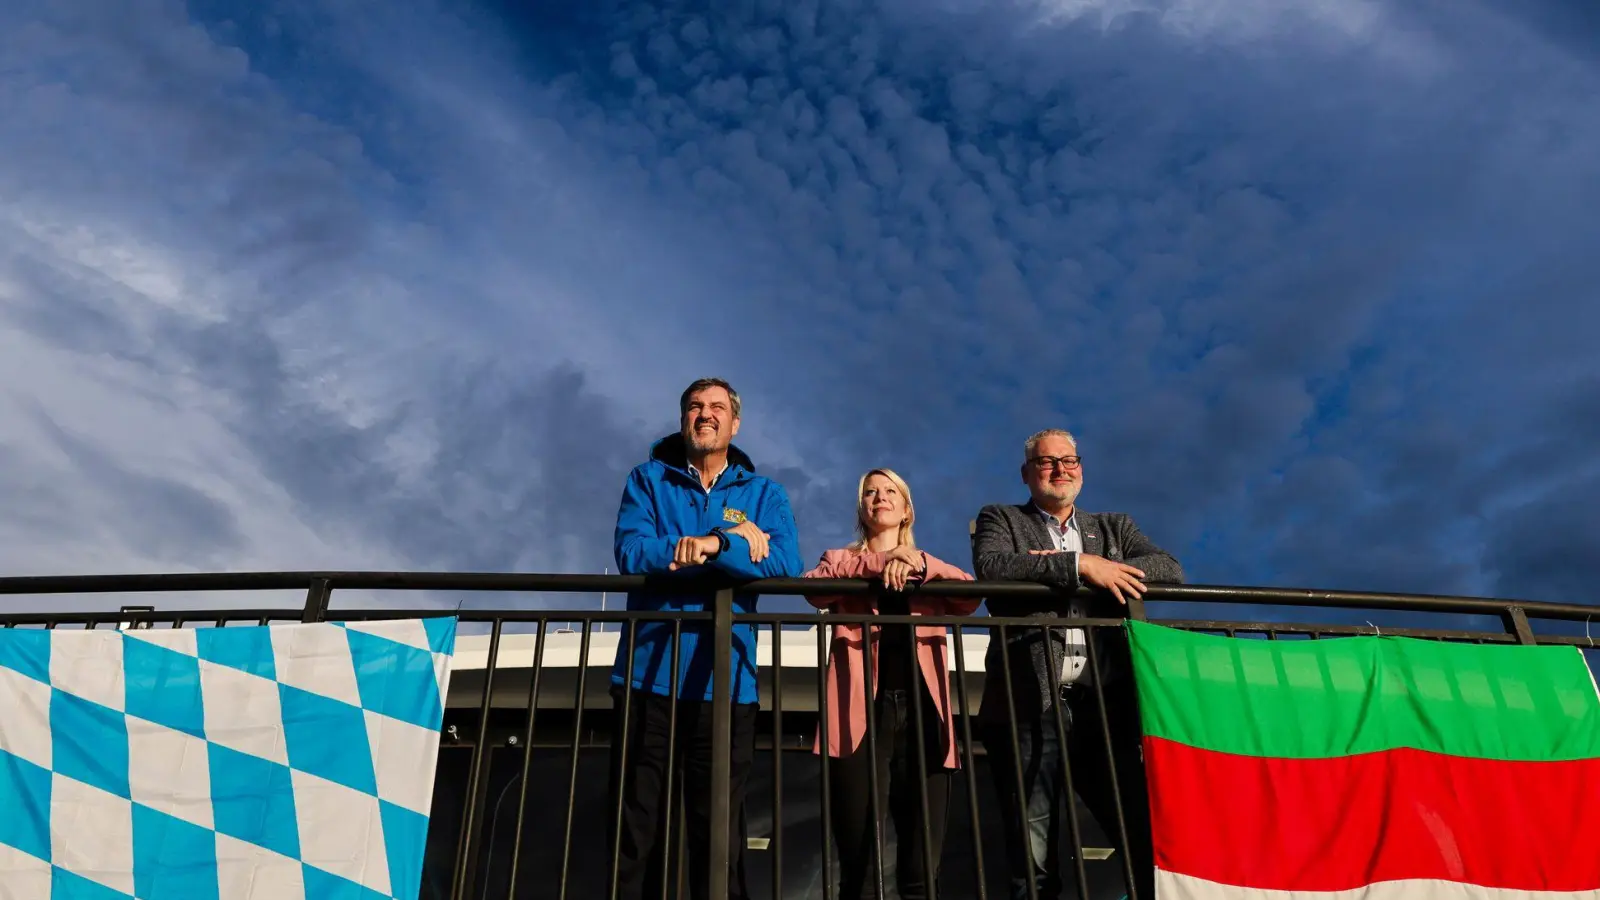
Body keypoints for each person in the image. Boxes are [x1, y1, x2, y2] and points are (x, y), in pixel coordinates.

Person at [608, 377, 804, 900]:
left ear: (734, 423)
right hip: (647, 677)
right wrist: (728, 546)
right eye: (695, 406)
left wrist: (714, 544)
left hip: (728, 686)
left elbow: (786, 563)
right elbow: (633, 551)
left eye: (717, 407)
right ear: (683, 419)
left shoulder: (764, 494)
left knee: (719, 836)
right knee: (636, 830)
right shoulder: (647, 479)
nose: (705, 415)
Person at [972, 429, 1183, 900]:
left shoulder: (1115, 526)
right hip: (1030, 706)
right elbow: (994, 567)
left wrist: (1076, 565)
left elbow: (1169, 568)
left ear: (1081, 469)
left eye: (1069, 461)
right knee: (1034, 851)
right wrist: (1082, 566)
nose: (1060, 470)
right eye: (1048, 462)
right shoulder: (1001, 517)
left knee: (1140, 835)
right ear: (1027, 473)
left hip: (1104, 709)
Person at [803, 468, 979, 900]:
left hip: (924, 718)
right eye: (870, 492)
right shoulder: (839, 562)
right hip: (859, 717)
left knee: (922, 872)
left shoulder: (928, 569)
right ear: (862, 509)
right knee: (859, 868)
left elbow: (969, 596)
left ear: (906, 509)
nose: (879, 497)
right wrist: (880, 563)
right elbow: (813, 588)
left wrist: (916, 564)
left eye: (890, 491)